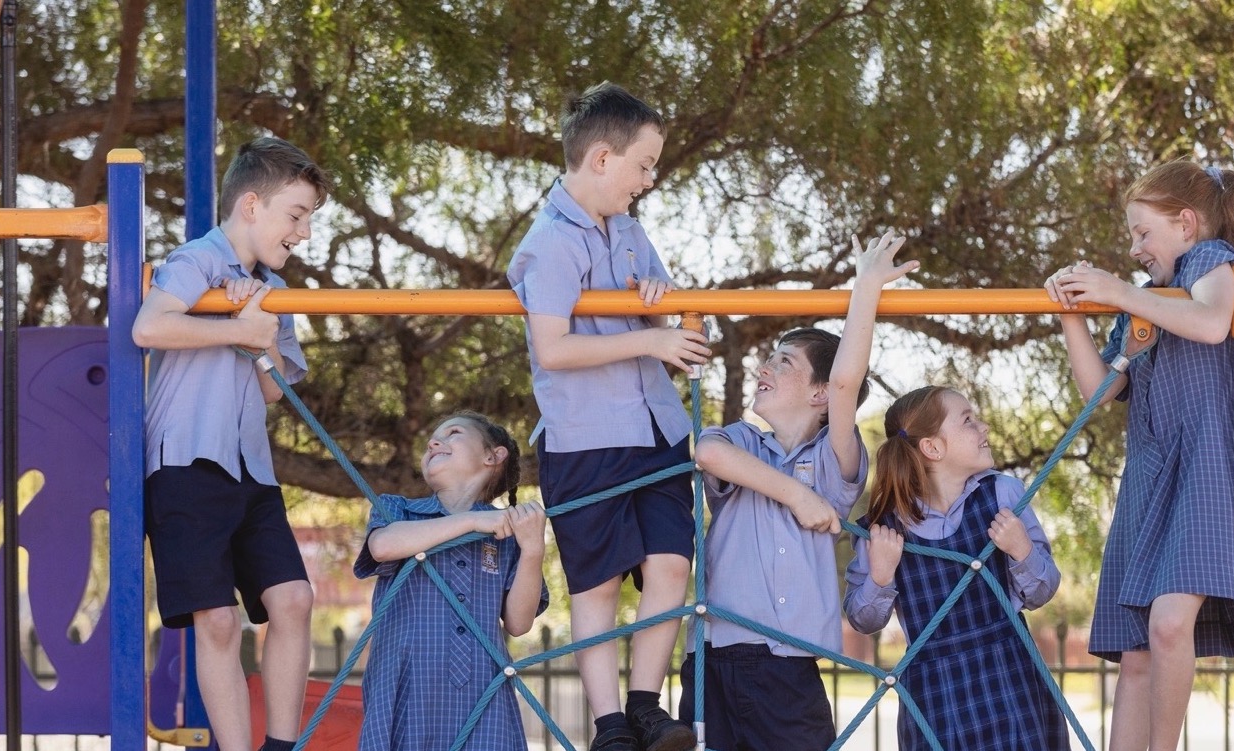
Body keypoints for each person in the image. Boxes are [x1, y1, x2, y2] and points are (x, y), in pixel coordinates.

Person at [505, 81, 708, 751]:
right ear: (600, 158)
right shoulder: (549, 243)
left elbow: (661, 310)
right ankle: (609, 723)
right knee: (595, 585)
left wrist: (658, 303)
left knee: (671, 564)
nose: (648, 181)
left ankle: (646, 704)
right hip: (586, 439)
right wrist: (653, 337)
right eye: (643, 165)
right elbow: (554, 347)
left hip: (655, 430)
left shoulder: (628, 231)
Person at [1044, 160, 1234, 751]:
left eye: (1143, 232)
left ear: (1186, 223)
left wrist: (1117, 291)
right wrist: (1073, 316)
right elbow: (1100, 393)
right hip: (1150, 476)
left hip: (1203, 473)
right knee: (1134, 654)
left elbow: (1213, 322)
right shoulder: (1141, 302)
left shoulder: (1208, 260)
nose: (1134, 247)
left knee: (1167, 626)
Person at [132, 136, 331, 751]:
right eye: (295, 215)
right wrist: (233, 326)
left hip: (251, 468)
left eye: (308, 220)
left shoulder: (271, 287)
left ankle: (280, 745)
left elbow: (275, 391)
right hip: (186, 462)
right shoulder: (196, 258)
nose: (302, 232)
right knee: (217, 619)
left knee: (294, 598)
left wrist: (258, 334)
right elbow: (149, 326)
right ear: (251, 205)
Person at [680, 231, 911, 749]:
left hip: (787, 666)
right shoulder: (738, 443)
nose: (766, 367)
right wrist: (796, 496)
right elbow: (707, 454)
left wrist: (865, 288)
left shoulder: (834, 462)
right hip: (710, 655)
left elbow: (849, 381)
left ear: (820, 394)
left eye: (784, 362)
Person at [844, 386, 1070, 749]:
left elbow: (1041, 591)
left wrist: (1022, 550)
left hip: (1010, 673)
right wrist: (880, 576)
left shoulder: (1004, 495)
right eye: (968, 421)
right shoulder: (883, 530)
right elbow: (863, 619)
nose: (984, 428)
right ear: (932, 448)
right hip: (935, 688)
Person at [355, 412, 548, 751]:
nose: (433, 442)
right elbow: (383, 546)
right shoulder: (399, 510)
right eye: (432, 438)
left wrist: (532, 550)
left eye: (453, 433)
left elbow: (518, 623)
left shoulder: (507, 535)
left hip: (482, 691)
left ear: (493, 456)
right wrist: (473, 520)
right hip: (406, 684)